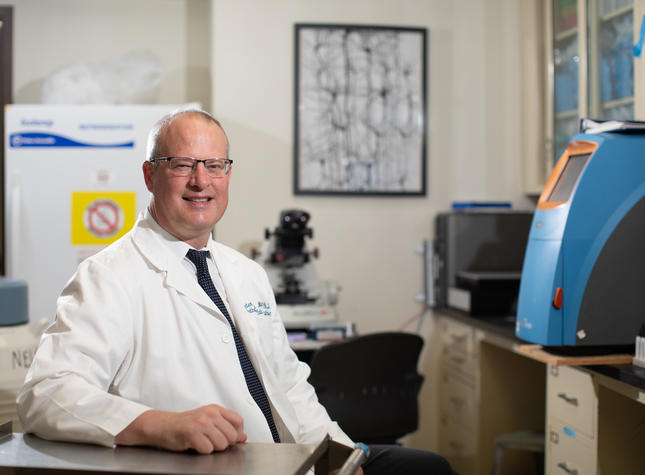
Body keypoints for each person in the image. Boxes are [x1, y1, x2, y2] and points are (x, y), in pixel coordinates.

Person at [17, 108, 451, 474]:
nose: (201, 181)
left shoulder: (245, 272)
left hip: (299, 458)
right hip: (226, 466)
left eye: (215, 165)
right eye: (183, 164)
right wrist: (160, 424)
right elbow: (46, 393)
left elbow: (289, 384)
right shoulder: (109, 275)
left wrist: (343, 457)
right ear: (150, 175)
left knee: (427, 467)